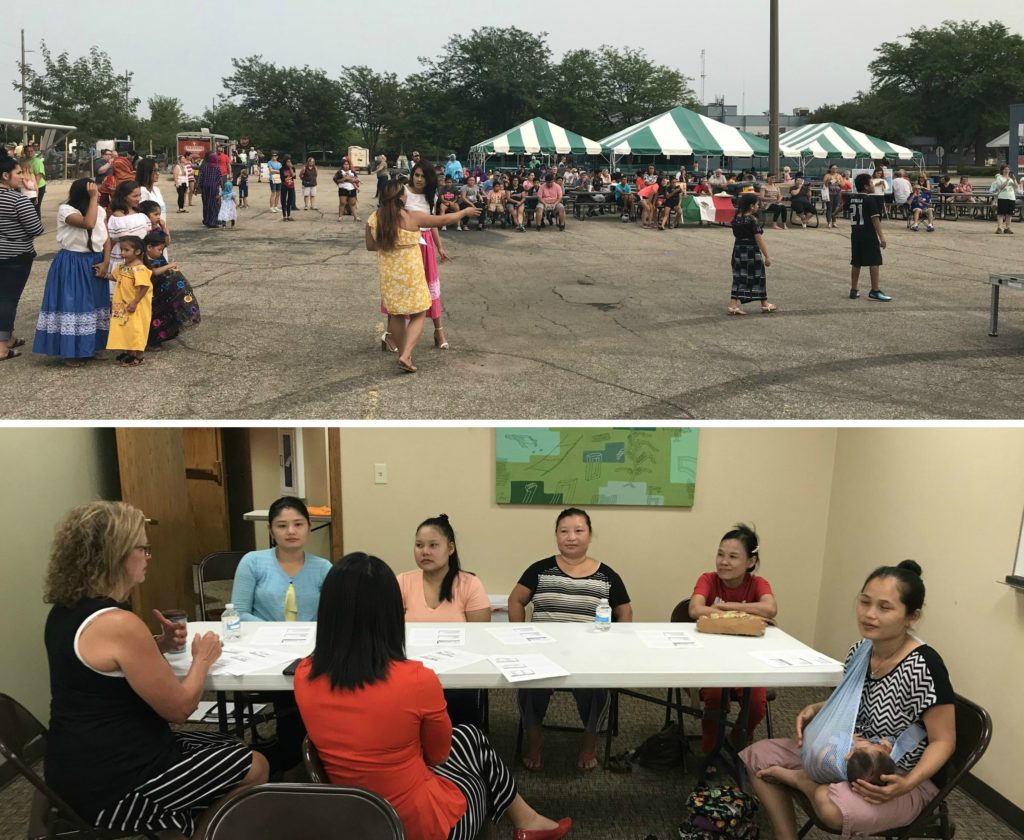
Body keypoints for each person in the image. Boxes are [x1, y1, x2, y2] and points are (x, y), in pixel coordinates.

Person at [294, 552, 573, 840]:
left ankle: (529, 820)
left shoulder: (304, 675)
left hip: (355, 820)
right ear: (390, 613)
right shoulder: (415, 679)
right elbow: (437, 754)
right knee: (478, 776)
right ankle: (525, 822)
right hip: (416, 826)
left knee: (470, 736)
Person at [42, 501, 267, 836]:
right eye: (143, 548)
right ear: (115, 554)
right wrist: (202, 658)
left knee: (230, 746)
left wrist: (157, 645)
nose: (148, 556)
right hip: (114, 783)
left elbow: (101, 667)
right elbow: (180, 708)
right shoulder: (120, 623)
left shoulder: (66, 612)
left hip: (76, 763)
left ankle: (186, 818)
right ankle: (197, 830)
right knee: (257, 765)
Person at [741, 560, 955, 840]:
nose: (869, 614)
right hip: (850, 752)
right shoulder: (862, 649)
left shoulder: (924, 665)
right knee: (758, 756)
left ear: (912, 616)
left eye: (884, 607)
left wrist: (905, 785)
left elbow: (944, 741)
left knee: (829, 805)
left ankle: (804, 780)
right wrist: (816, 709)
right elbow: (854, 704)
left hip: (897, 775)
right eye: (864, 602)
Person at [508, 508, 632, 773]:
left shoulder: (607, 575)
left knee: (596, 687)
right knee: (529, 685)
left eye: (578, 531)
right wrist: (519, 635)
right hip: (543, 652)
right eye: (564, 531)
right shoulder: (540, 570)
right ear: (556, 535)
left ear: (589, 535)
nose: (571, 537)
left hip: (588, 655)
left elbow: (625, 612)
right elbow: (515, 600)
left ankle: (590, 741)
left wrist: (615, 646)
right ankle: (535, 739)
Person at [230, 496, 331, 774]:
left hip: (309, 652)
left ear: (309, 527)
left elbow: (333, 617)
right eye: (282, 525)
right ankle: (292, 756)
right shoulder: (253, 563)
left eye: (298, 524)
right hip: (263, 650)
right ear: (271, 530)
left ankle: (303, 752)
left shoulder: (323, 568)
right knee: (294, 694)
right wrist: (277, 634)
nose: (291, 531)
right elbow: (237, 611)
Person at [366, 181, 478, 373]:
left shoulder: (374, 219)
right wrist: (463, 213)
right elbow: (442, 220)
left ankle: (405, 355)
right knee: (420, 312)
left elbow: (370, 245)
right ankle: (405, 354)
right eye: (405, 192)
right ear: (401, 197)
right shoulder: (412, 217)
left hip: (389, 274)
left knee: (397, 313)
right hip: (411, 273)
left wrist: (390, 244)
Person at [689, 524, 778, 755]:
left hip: (748, 661)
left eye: (732, 557)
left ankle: (735, 741)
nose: (723, 562)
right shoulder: (708, 579)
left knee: (757, 705)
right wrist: (746, 615)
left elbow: (770, 608)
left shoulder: (758, 584)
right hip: (711, 658)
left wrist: (726, 607)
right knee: (715, 697)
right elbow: (695, 609)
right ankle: (710, 751)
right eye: (720, 554)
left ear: (750, 562)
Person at [399, 514, 490, 726]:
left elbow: (480, 637)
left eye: (433, 545)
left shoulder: (470, 584)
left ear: (450, 548)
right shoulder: (402, 581)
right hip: (412, 668)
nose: (425, 551)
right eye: (419, 545)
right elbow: (389, 630)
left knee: (458, 706)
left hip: (457, 670)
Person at [32, 178, 110, 366]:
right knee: (74, 305)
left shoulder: (99, 210)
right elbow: (88, 223)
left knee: (95, 304)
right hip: (73, 262)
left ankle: (92, 346)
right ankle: (71, 352)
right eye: (94, 191)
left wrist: (106, 262)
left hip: (95, 260)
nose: (98, 193)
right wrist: (93, 199)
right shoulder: (66, 210)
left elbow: (106, 237)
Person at [381, 161, 452, 354]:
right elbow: (389, 215)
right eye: (416, 175)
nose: (419, 179)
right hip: (406, 245)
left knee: (431, 288)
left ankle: (439, 332)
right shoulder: (402, 191)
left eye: (423, 176)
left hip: (426, 243)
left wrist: (440, 247)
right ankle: (389, 335)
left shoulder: (432, 196)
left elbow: (434, 222)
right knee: (400, 290)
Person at [0, 155, 45, 360]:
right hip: (15, 255)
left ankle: (7, 337)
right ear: (5, 175)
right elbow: (36, 228)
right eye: (18, 173)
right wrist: (33, 196)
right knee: (8, 299)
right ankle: (2, 346)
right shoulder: (17, 200)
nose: (21, 177)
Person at [144, 230, 200, 349]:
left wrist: (164, 228)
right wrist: (169, 266)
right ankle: (152, 341)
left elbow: (167, 242)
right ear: (149, 247)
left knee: (168, 313)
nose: (160, 252)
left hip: (166, 292)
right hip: (156, 294)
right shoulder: (146, 260)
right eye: (159, 249)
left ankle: (161, 337)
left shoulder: (158, 256)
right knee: (156, 316)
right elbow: (153, 272)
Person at [105, 235, 151, 367]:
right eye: (121, 250)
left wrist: (135, 302)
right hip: (120, 304)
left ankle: (139, 355)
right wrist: (102, 274)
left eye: (126, 250)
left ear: (137, 252)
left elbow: (144, 286)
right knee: (123, 327)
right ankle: (129, 352)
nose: (122, 253)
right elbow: (114, 277)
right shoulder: (123, 266)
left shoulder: (139, 268)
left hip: (133, 305)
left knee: (136, 329)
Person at [847, 173, 891, 302]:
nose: (873, 185)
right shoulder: (870, 200)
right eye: (871, 183)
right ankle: (875, 290)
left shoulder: (852, 198)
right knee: (874, 261)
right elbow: (875, 220)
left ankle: (853, 290)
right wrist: (881, 238)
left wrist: (834, 213)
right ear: (866, 187)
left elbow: (842, 208)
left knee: (856, 262)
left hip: (855, 234)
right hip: (868, 234)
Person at [729, 194, 776, 315]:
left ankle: (733, 305)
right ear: (751, 206)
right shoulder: (752, 219)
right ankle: (764, 304)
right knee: (759, 275)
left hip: (738, 250)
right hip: (751, 251)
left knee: (738, 276)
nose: (758, 206)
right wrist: (767, 256)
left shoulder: (736, 219)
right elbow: (758, 238)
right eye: (756, 204)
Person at [199, 151, 224, 228]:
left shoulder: (204, 167)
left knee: (206, 204)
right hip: (214, 188)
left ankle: (206, 220)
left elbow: (201, 179)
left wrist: (201, 188)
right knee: (214, 204)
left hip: (205, 189)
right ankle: (213, 222)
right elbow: (220, 179)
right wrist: (222, 188)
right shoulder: (217, 168)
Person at [23, 142, 47, 216]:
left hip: (38, 186)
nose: (30, 152)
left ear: (34, 151)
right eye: (28, 151)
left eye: (31, 151)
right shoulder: (23, 160)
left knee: (36, 206)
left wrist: (34, 189)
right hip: (27, 186)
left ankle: (38, 224)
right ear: (24, 152)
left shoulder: (37, 161)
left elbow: (38, 176)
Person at [993, 165, 1016, 235]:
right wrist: (1007, 181)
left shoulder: (1011, 178)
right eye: (1005, 169)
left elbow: (1016, 187)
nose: (1007, 171)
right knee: (1001, 213)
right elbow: (1000, 187)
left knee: (1009, 214)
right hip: (1003, 197)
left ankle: (1008, 228)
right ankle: (999, 228)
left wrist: (1014, 180)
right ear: (1002, 170)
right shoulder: (999, 177)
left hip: (1011, 197)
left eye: (1008, 169)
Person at [822, 164, 843, 229]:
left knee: (835, 208)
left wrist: (838, 181)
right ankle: (829, 222)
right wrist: (828, 180)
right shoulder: (827, 175)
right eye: (833, 168)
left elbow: (842, 185)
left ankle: (834, 222)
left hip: (837, 193)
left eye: (836, 168)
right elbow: (825, 184)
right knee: (829, 208)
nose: (834, 170)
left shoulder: (839, 176)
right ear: (830, 169)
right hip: (829, 193)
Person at [279, 155, 297, 221]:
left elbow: (294, 176)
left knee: (289, 201)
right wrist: (287, 178)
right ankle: (284, 216)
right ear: (285, 162)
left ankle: (289, 215)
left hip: (291, 185)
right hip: (284, 186)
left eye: (290, 161)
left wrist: (290, 168)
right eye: (287, 162)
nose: (289, 163)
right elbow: (282, 178)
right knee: (283, 200)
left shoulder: (292, 168)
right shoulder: (282, 169)